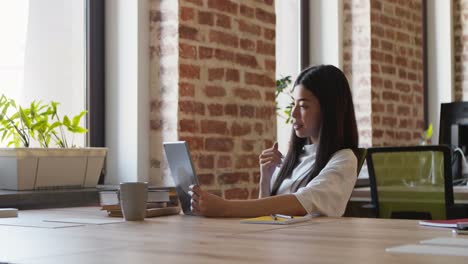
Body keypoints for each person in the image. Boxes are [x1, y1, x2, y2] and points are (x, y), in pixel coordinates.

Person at [189, 64, 359, 217]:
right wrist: (265, 178)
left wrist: (225, 207)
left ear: (329, 111)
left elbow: (302, 202)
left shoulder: (344, 159)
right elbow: (267, 215)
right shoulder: (294, 158)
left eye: (303, 106)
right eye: (293, 104)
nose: (293, 114)